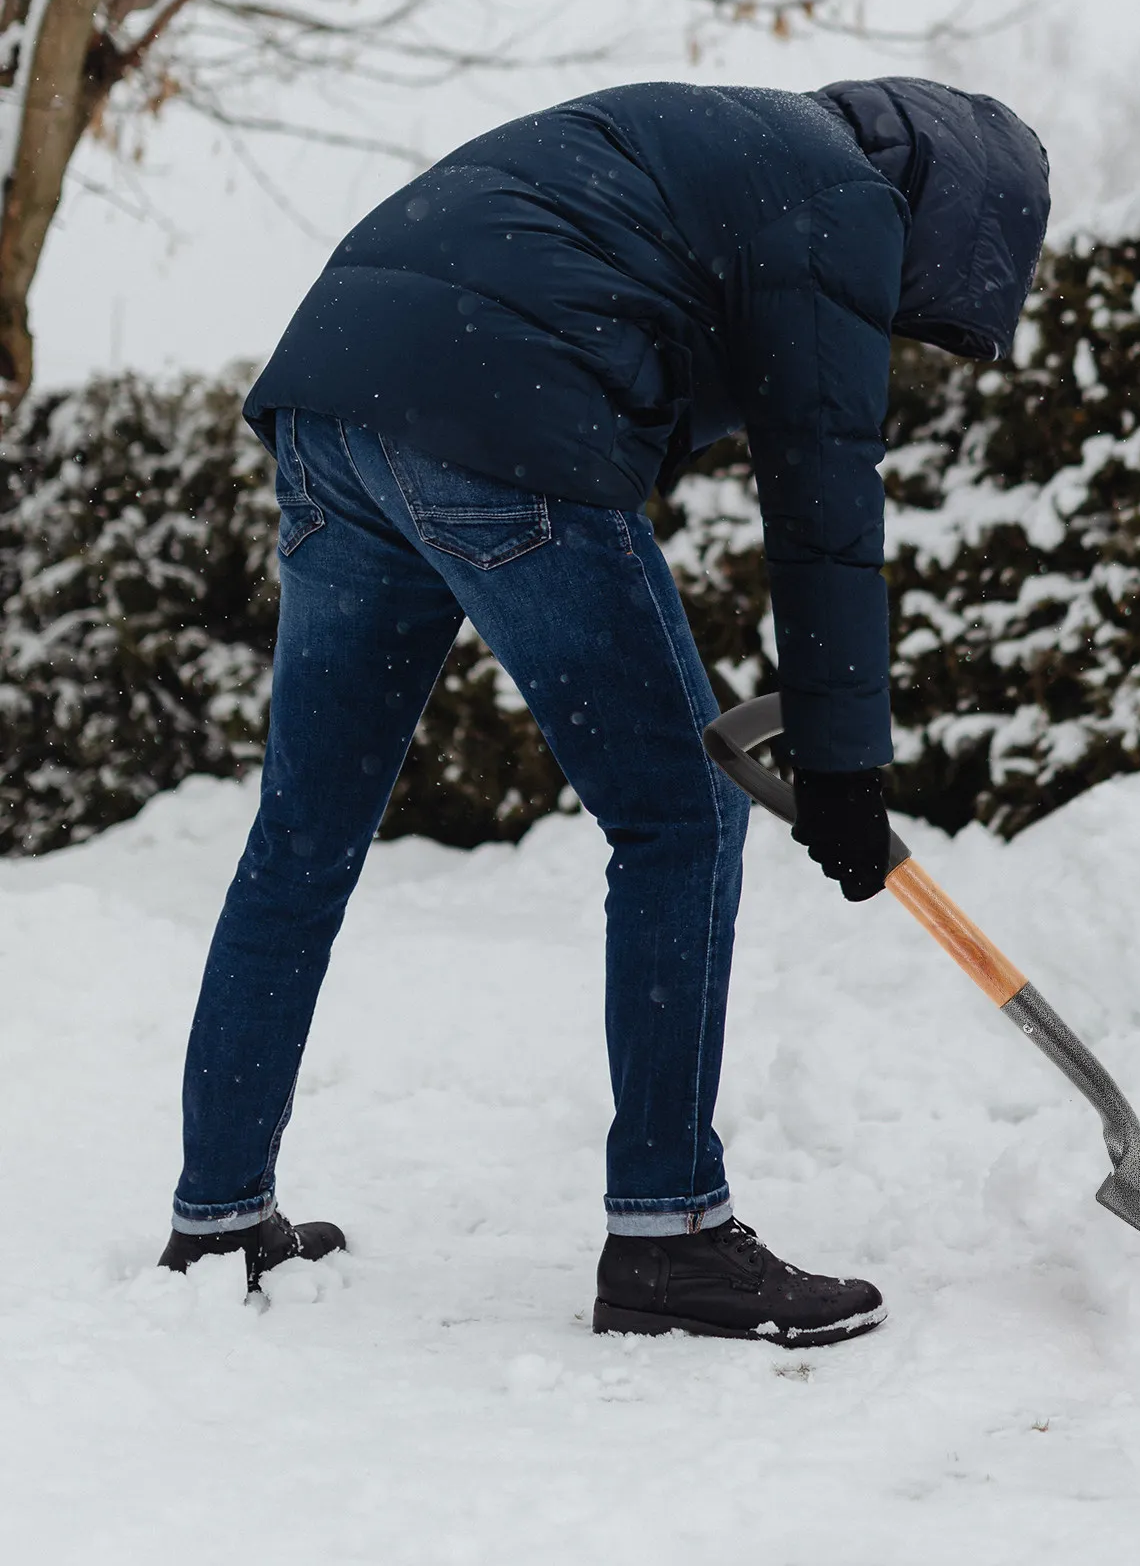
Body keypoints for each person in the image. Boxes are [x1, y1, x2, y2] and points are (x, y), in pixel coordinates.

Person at [156, 78, 1049, 1348]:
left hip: (332, 408)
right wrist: (848, 768)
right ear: (949, 209)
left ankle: (217, 1214)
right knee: (684, 817)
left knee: (300, 840)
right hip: (493, 413)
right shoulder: (843, 200)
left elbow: (640, 362)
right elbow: (823, 503)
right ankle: (671, 1239)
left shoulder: (722, 148)